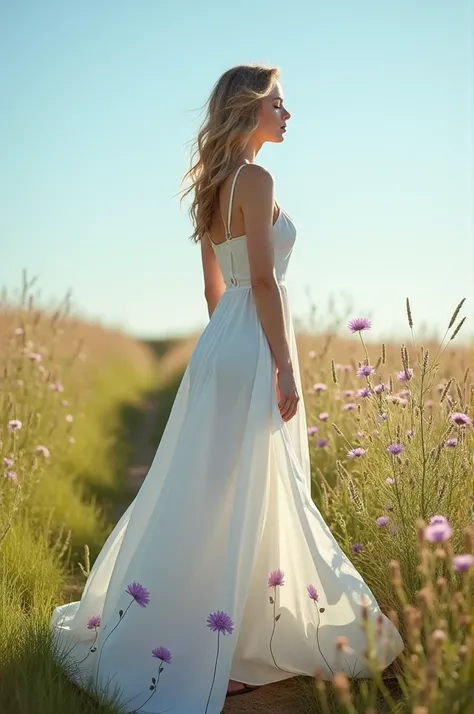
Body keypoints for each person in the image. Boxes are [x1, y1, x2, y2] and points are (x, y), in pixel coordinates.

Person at [50, 64, 404, 714]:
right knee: (255, 492)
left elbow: (215, 291)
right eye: (279, 103)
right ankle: (223, 650)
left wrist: (230, 349)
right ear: (249, 109)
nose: (287, 114)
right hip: (255, 345)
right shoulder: (258, 179)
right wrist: (282, 365)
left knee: (215, 496)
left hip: (223, 347)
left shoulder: (215, 185)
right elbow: (263, 284)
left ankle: (217, 643)